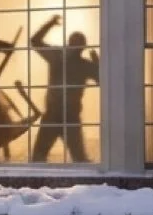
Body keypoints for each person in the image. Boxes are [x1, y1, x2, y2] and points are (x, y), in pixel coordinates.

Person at [28, 14, 100, 162]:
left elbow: (34, 41)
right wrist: (97, 63)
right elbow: (102, 80)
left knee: (40, 158)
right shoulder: (72, 62)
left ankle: (36, 182)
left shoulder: (60, 57)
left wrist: (50, 23)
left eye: (75, 44)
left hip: (62, 116)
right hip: (63, 116)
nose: (73, 48)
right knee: (78, 159)